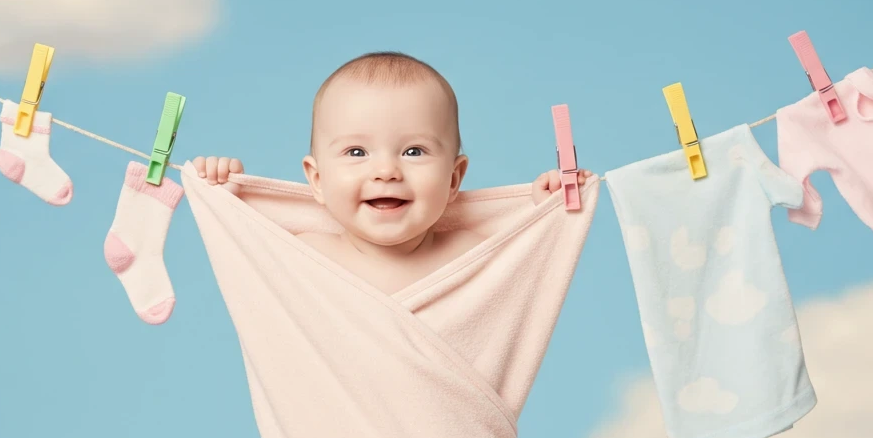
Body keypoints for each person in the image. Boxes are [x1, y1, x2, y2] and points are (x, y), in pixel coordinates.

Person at [192, 51, 591, 295]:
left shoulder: (476, 251)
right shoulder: (303, 252)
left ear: (454, 179)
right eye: (356, 151)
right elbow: (242, 257)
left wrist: (545, 211)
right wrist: (224, 194)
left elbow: (532, 274)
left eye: (413, 151)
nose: (385, 171)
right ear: (316, 180)